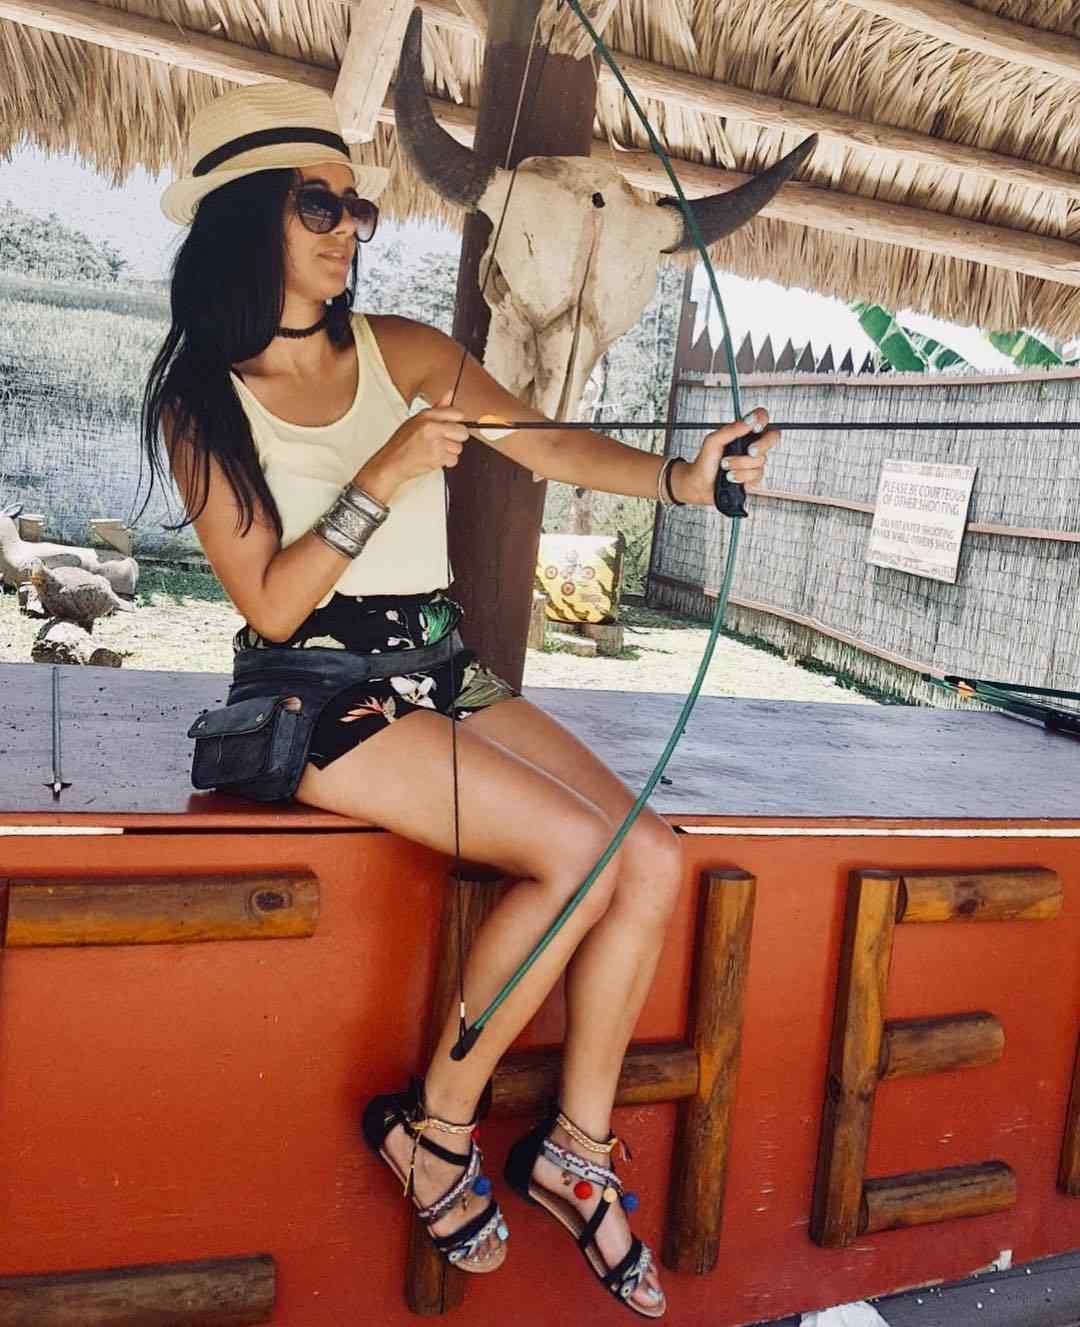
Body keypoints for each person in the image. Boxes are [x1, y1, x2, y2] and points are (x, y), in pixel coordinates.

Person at [144, 83, 779, 1318]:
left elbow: (548, 444)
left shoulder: (408, 352)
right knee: (580, 857)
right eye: (320, 205)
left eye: (359, 208)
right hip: (320, 695)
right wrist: (381, 475)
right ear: (243, 217)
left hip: (440, 669)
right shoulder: (204, 403)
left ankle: (575, 1152)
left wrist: (684, 480)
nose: (351, 228)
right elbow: (271, 602)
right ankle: (435, 1126)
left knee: (649, 855)